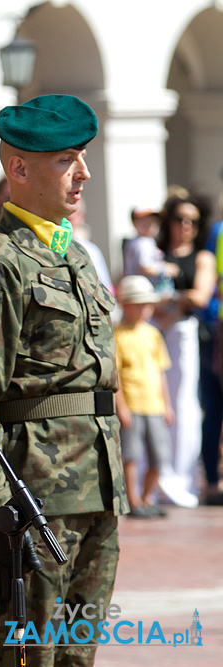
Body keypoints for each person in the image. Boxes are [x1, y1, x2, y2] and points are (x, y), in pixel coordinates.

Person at [0, 94, 126, 667]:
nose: (84, 173)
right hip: (33, 499)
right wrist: (2, 500)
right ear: (18, 168)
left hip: (93, 490)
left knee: (76, 659)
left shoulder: (76, 258)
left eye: (82, 157)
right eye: (67, 159)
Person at [153, 194, 215, 508]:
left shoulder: (202, 257)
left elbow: (201, 296)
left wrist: (171, 302)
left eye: (192, 220)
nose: (185, 226)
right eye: (179, 219)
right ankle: (156, 478)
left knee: (184, 405)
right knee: (155, 405)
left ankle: (182, 478)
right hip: (155, 334)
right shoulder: (157, 253)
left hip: (184, 336)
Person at [113, 275, 174, 519]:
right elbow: (115, 375)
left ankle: (149, 497)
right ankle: (133, 499)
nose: (144, 309)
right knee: (131, 455)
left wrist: (167, 405)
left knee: (159, 456)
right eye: (138, 304)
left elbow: (161, 373)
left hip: (154, 405)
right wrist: (122, 406)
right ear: (124, 304)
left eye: (148, 304)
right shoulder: (117, 334)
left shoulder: (153, 334)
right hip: (133, 404)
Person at [122, 205, 176, 293]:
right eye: (144, 221)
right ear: (134, 223)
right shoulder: (143, 242)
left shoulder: (142, 241)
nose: (150, 224)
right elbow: (145, 267)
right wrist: (165, 269)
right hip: (141, 290)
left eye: (153, 221)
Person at [67, 200, 113, 291]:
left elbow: (104, 286)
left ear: (82, 216)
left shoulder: (89, 250)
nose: (67, 219)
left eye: (72, 215)